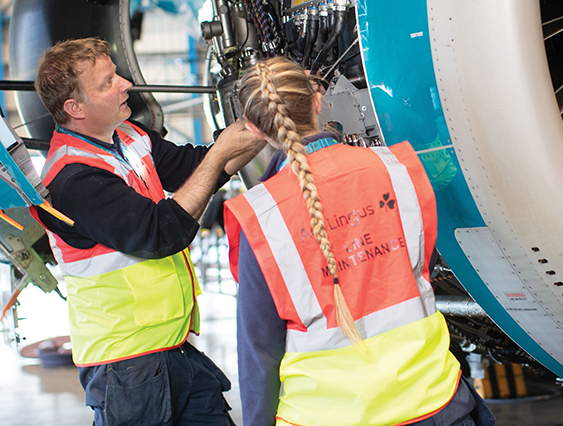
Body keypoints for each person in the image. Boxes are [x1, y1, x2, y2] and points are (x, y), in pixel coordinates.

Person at [223, 57, 494, 426]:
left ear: (254, 130)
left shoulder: (261, 216)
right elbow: (421, 267)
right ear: (318, 101)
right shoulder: (398, 171)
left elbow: (260, 350)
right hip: (430, 402)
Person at [32, 37, 265, 426]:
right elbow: (162, 233)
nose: (126, 84)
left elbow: (196, 167)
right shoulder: (71, 180)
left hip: (173, 348)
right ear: (74, 108)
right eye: (108, 82)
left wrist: (261, 126)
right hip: (126, 368)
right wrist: (223, 152)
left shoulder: (130, 136)